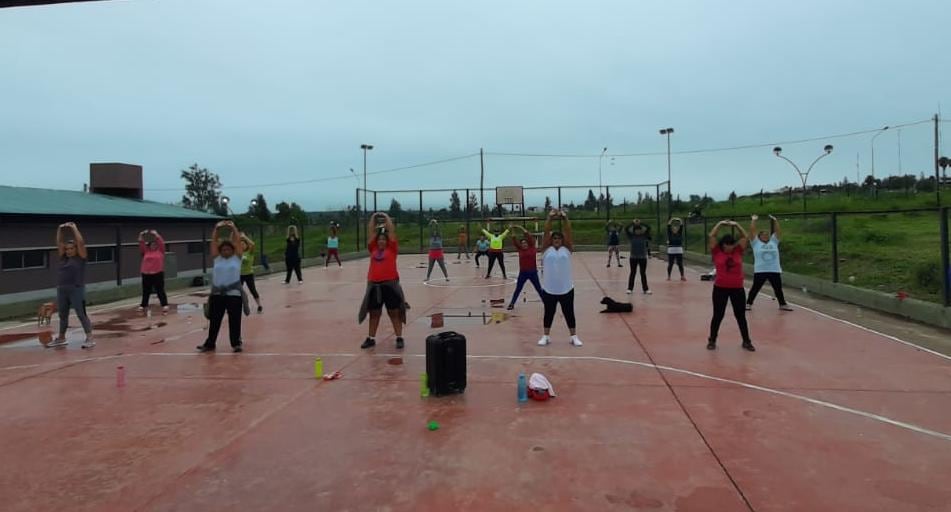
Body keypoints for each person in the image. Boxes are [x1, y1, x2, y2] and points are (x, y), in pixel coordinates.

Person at [358, 212, 407, 350]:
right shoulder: (372, 248)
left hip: (389, 285)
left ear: (387, 241)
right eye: (379, 239)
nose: (381, 241)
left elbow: (391, 231)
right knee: (374, 313)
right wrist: (374, 217)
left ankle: (399, 337)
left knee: (394, 313)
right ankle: (371, 338)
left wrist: (385, 216)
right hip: (374, 286)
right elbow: (371, 231)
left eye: (383, 240)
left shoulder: (392, 249)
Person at [198, 220, 245, 353]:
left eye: (228, 249)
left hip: (234, 294)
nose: (225, 251)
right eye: (223, 249)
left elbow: (237, 241)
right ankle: (210, 343)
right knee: (215, 320)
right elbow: (213, 243)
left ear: (232, 250)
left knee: (234, 319)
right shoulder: (217, 259)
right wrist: (216, 229)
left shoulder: (237, 259)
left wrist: (233, 228)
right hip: (218, 295)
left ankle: (236, 343)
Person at [707, 220, 755, 352]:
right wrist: (720, 224)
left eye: (731, 245)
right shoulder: (717, 252)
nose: (729, 247)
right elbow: (712, 236)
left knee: (740, 315)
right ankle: (712, 339)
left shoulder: (738, 251)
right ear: (722, 245)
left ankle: (746, 341)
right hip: (720, 288)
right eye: (727, 245)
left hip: (737, 289)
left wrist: (737, 225)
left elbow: (745, 237)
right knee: (718, 315)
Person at [538, 210, 582, 347]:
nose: (556, 240)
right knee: (548, 313)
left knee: (569, 312)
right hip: (549, 289)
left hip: (566, 289)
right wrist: (550, 218)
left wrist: (565, 218)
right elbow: (546, 232)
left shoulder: (567, 249)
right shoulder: (546, 250)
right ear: (551, 240)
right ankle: (546, 336)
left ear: (562, 240)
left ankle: (573, 336)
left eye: (559, 239)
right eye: (554, 239)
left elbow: (568, 232)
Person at [47, 222, 94, 349]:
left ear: (76, 249)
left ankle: (89, 337)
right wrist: (59, 229)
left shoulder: (81, 257)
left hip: (76, 289)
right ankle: (61, 338)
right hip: (62, 289)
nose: (68, 251)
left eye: (71, 248)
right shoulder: (64, 258)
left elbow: (80, 243)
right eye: (67, 249)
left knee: (80, 313)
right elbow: (59, 243)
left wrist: (74, 228)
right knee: (62, 314)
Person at [747, 214, 793, 311]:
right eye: (763, 235)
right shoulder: (755, 243)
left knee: (778, 288)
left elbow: (778, 232)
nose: (765, 236)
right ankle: (748, 303)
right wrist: (753, 220)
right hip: (761, 270)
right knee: (755, 288)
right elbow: (752, 232)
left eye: (767, 235)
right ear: (759, 237)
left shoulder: (773, 242)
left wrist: (775, 220)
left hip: (774, 269)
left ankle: (782, 304)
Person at [507, 225, 542, 310]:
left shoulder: (532, 247)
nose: (524, 244)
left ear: (528, 243)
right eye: (522, 243)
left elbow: (527, 235)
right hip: (523, 273)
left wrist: (520, 227)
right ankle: (512, 303)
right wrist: (512, 229)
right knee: (518, 289)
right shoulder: (520, 249)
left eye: (525, 243)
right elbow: (514, 239)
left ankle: (547, 302)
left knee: (539, 289)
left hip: (533, 272)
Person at [138, 229, 169, 314]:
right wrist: (141, 234)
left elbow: (161, 243)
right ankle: (143, 305)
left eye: (155, 245)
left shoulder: (160, 251)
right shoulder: (146, 251)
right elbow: (141, 243)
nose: (153, 246)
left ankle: (164, 305)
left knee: (160, 290)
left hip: (158, 273)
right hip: (146, 273)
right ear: (149, 246)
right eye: (152, 245)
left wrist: (156, 234)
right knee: (146, 290)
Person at [625, 219, 652, 295]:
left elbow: (648, 227)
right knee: (633, 273)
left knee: (643, 273)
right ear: (634, 231)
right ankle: (630, 288)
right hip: (633, 257)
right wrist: (633, 223)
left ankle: (645, 289)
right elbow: (626, 228)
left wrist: (641, 223)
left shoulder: (644, 236)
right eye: (636, 230)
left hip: (642, 257)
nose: (638, 231)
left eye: (639, 230)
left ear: (641, 231)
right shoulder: (631, 236)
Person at [239, 232, 263, 314]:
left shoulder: (250, 252)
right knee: (238, 291)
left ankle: (259, 305)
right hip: (240, 275)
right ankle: (239, 306)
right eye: (240, 244)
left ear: (246, 245)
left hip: (249, 274)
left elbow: (253, 244)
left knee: (252, 290)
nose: (242, 246)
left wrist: (244, 237)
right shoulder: (238, 253)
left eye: (243, 244)